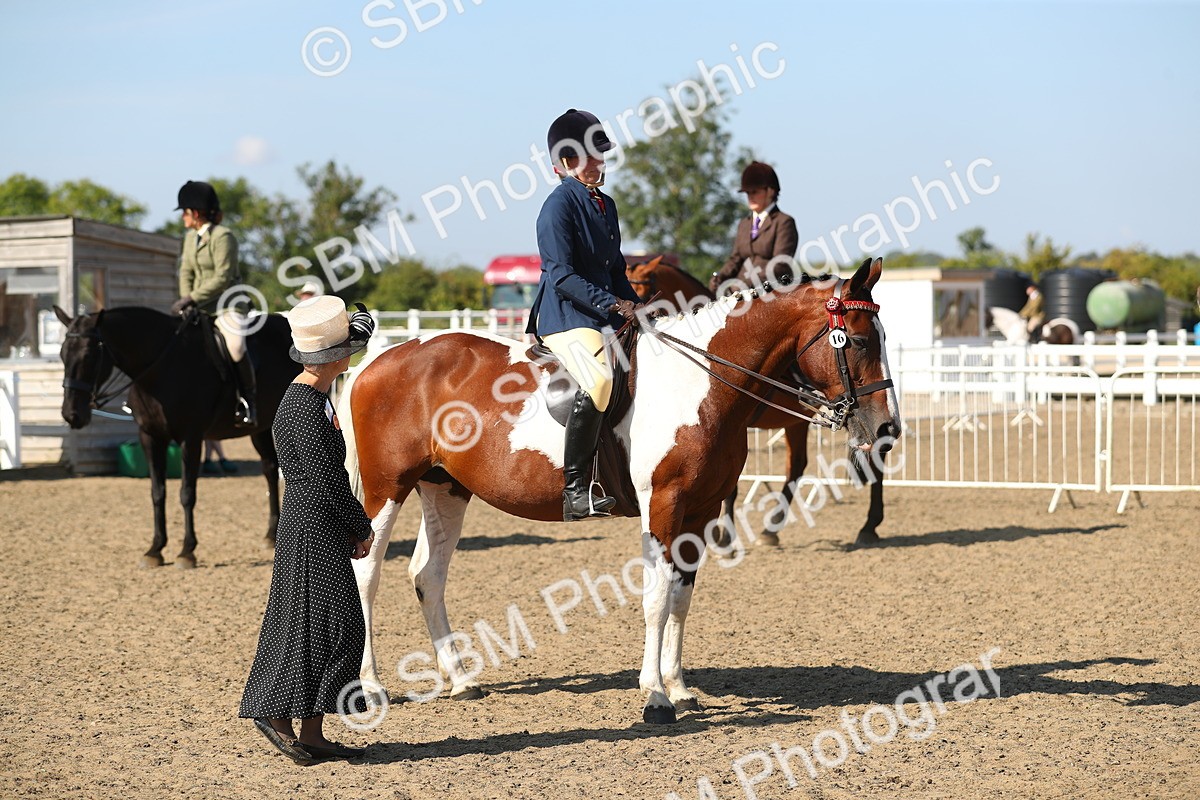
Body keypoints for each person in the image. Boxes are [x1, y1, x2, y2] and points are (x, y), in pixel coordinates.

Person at [239, 295, 377, 765]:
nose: (352, 355)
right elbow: (325, 477)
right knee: (337, 624)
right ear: (334, 358)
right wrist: (360, 524)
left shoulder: (304, 398)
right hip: (313, 524)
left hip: (309, 522)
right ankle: (281, 715)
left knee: (310, 623)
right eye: (349, 350)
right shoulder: (305, 405)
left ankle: (308, 729)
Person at [526, 108, 643, 521]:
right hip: (564, 316)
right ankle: (575, 490)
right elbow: (561, 275)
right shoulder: (557, 207)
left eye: (600, 154)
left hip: (599, 313)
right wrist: (613, 305)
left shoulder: (605, 205)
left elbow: (614, 270)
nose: (600, 162)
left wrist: (637, 305)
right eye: (591, 156)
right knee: (600, 379)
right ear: (567, 163)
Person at [172, 180, 257, 427]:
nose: (183, 218)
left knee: (236, 346)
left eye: (184, 213)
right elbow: (185, 271)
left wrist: (191, 298)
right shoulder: (189, 238)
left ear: (195, 213)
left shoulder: (224, 237)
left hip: (228, 305)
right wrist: (187, 301)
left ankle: (248, 401)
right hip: (198, 306)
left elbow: (223, 278)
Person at [709, 161, 799, 293]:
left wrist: (747, 284)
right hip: (739, 291)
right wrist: (720, 277)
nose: (750, 197)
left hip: (770, 291)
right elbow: (735, 259)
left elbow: (780, 264)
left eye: (755, 192)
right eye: (747, 193)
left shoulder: (783, 222)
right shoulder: (744, 224)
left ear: (770, 191)